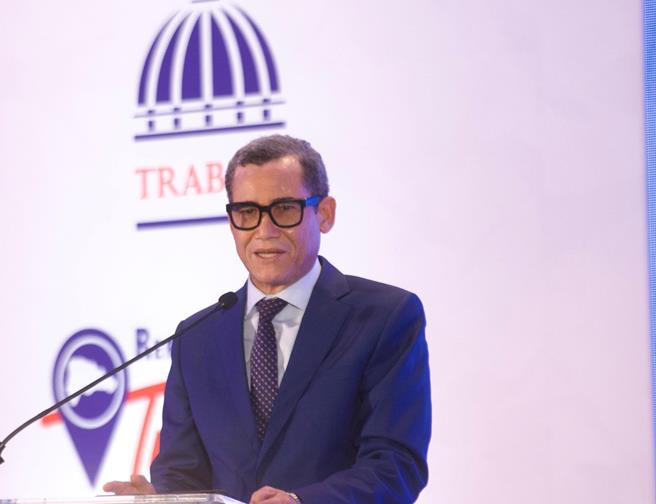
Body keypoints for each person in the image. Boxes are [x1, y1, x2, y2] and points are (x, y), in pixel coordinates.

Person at [104, 135, 431, 504]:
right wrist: (163, 498)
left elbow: (395, 465)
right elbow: (182, 471)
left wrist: (300, 502)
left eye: (284, 209)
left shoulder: (385, 318)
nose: (264, 230)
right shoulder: (196, 337)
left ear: (325, 214)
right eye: (247, 212)